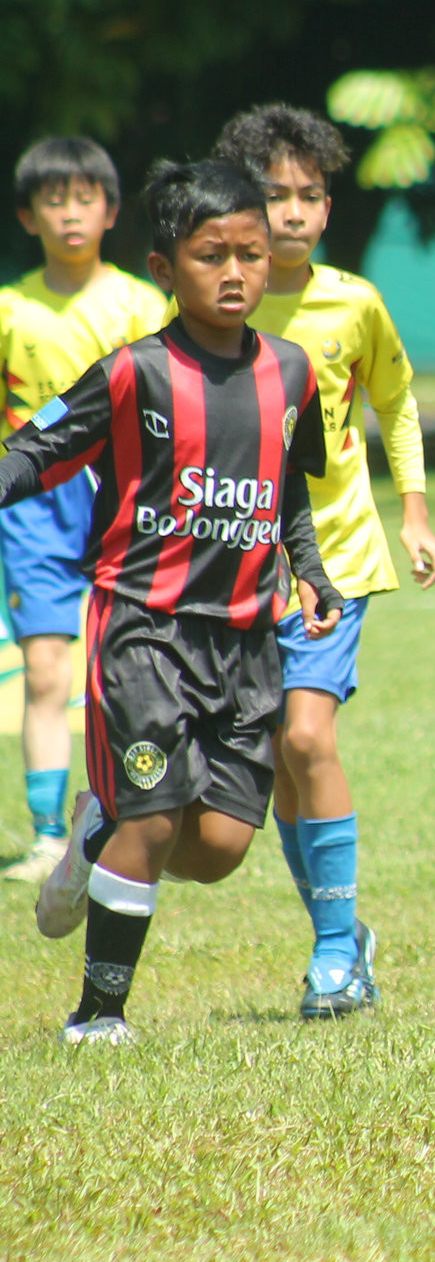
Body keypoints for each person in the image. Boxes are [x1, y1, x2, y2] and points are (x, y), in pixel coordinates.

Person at [10, 159, 342, 1046]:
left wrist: (309, 570)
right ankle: (98, 1015)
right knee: (156, 819)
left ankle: (94, 830)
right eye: (210, 256)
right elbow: (37, 449)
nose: (235, 272)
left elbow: (291, 488)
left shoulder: (294, 372)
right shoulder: (134, 372)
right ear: (164, 268)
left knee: (222, 848)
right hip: (141, 628)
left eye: (251, 253)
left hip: (245, 639)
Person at [208, 103, 435, 1019]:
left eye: (312, 195)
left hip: (335, 556)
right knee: (276, 758)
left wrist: (415, 515)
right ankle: (344, 939)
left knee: (310, 737)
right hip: (233, 564)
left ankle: (334, 951)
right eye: (276, 196)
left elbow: (401, 400)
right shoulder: (208, 303)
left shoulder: (355, 302)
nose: (296, 213)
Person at [0, 139, 168, 885]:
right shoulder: (9, 307)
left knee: (119, 667)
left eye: (84, 198)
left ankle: (115, 810)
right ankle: (43, 833)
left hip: (119, 493)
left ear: (111, 210)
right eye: (53, 200)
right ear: (27, 216)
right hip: (34, 501)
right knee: (43, 668)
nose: (70, 213)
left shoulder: (139, 303)